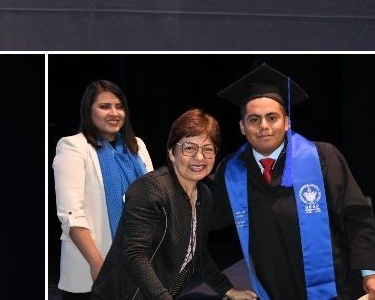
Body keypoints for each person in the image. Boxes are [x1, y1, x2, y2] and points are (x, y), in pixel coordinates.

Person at [210, 63, 375, 300]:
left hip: (333, 285)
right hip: (272, 287)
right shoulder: (231, 172)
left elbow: (356, 215)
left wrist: (370, 271)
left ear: (287, 122)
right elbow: (206, 214)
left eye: (272, 117)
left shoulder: (323, 157)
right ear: (243, 127)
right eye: (254, 119)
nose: (263, 126)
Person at [92, 109, 257, 300]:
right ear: (172, 153)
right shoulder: (149, 189)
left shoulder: (204, 195)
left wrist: (227, 290)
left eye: (208, 149)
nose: (200, 157)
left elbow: (198, 253)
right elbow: (135, 255)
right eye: (189, 148)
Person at [52, 80, 154, 298]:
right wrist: (98, 265)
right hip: (92, 271)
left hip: (138, 266)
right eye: (105, 106)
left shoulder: (137, 146)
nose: (114, 113)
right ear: (89, 111)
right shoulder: (73, 146)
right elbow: (71, 214)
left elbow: (152, 201)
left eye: (119, 106)